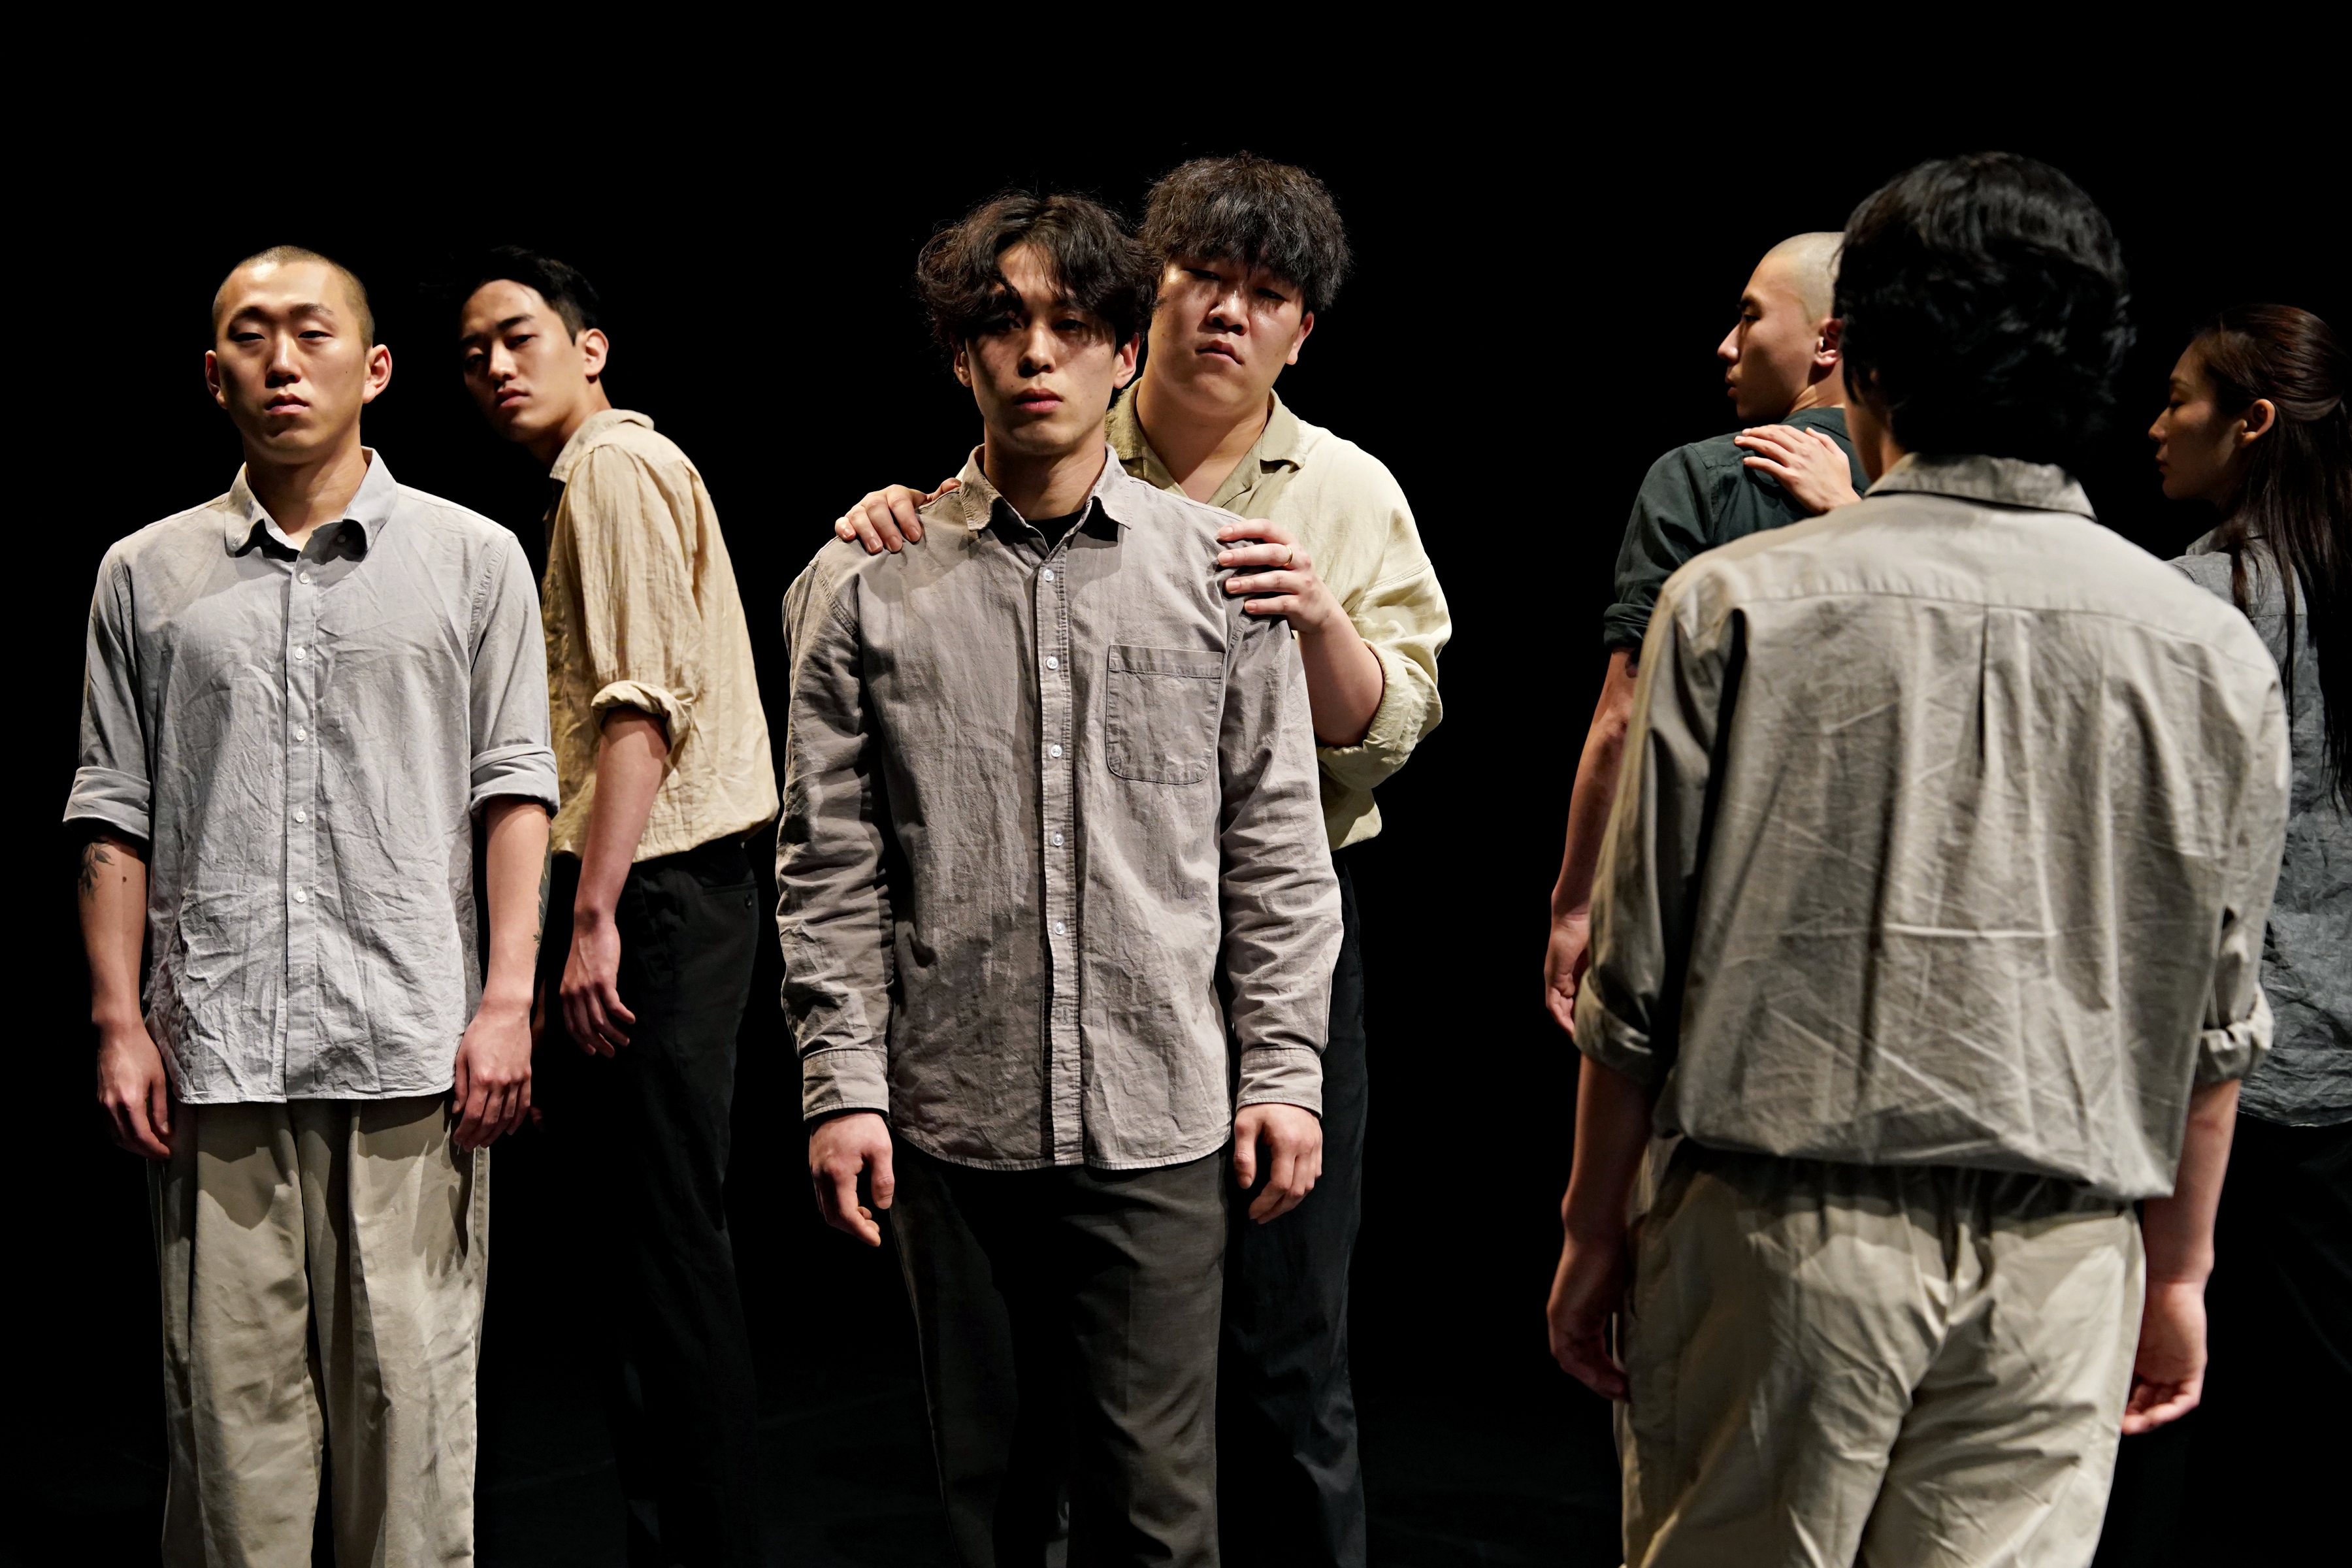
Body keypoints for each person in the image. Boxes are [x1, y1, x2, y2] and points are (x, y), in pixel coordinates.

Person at [1545, 153, 2291, 1567]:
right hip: (2063, 1254)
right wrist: (2179, 1272)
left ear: (1866, 360)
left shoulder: (1735, 604)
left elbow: (1635, 981)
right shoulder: (2207, 651)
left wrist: (1592, 1231)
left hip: (1774, 1231)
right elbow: (2214, 1020)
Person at [835, 155, 1448, 1567]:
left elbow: (1388, 733)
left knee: (1282, 1336)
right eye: (1204, 281)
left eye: (1267, 294)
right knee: (1048, 1403)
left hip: (1261, 929)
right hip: (1037, 942)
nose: (1228, 313)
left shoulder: (1343, 489)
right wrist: (893, 518)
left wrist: (1314, 620)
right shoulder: (1045, 420)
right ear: (1145, 309)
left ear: (1302, 329)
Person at [74, 246, 557, 1565]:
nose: (282, 360)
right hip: (219, 1051)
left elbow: (515, 789)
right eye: (251, 335)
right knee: (235, 1437)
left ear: (375, 367)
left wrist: (508, 1002)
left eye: (311, 331)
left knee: (414, 1418)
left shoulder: (473, 559)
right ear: (212, 373)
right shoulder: (145, 573)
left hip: (410, 1048)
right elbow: (114, 807)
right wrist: (117, 1020)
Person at [458, 248, 777, 1567]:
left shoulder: (613, 469)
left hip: (656, 893)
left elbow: (639, 709)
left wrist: (589, 923)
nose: (496, 366)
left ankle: (705, 1545)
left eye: (519, 336)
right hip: (645, 890)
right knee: (643, 1253)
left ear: (590, 348)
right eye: (475, 352)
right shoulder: (590, 480)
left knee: (667, 1250)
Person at [2114, 303, 2348, 1560]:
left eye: (2179, 399)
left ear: (2251, 421)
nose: (2154, 426)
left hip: (2223, 1071)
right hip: (2335, 1074)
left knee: (2165, 1409)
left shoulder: (2196, 601)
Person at [1543, 232, 1866, 1039]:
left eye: (1750, 317)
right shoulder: (1927, 510)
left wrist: (1575, 902)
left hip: (1713, 914)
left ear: (1828, 340)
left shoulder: (1700, 479)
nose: (1727, 345)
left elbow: (1624, 719)